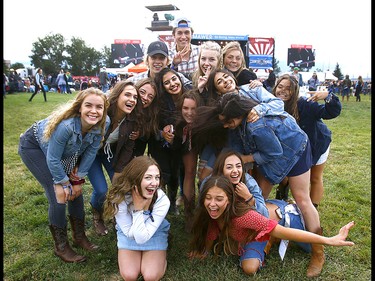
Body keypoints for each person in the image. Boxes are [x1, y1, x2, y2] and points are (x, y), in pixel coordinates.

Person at [192, 93, 325, 277]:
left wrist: (245, 159)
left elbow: (275, 152)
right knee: (258, 200)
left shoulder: (257, 126)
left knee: (303, 199)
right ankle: (261, 238)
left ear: (238, 115)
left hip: (294, 150)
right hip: (270, 153)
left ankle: (318, 254)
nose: (225, 125)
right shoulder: (239, 109)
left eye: (228, 121)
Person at [188, 176, 355, 277]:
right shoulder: (210, 212)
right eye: (208, 198)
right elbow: (212, 231)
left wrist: (329, 240)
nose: (212, 204)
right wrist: (205, 251)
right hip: (259, 224)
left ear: (229, 200)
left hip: (281, 216)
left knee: (250, 268)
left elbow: (286, 232)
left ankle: (271, 237)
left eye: (219, 199)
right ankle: (268, 238)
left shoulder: (243, 218)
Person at [18, 87, 110, 263]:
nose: (94, 111)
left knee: (76, 192)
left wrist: (78, 180)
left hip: (65, 154)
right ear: (79, 107)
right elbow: (53, 159)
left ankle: (79, 236)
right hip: (34, 147)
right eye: (88, 105)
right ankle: (61, 247)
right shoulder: (66, 127)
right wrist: (64, 182)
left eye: (99, 107)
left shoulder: (101, 124)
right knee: (59, 193)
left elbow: (90, 153)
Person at [272, 74, 342, 209]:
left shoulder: (304, 104)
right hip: (292, 148)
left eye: (289, 88)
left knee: (314, 178)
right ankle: (282, 201)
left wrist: (328, 96)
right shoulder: (271, 104)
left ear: (295, 91)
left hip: (316, 144)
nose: (283, 91)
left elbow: (331, 112)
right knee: (285, 176)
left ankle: (311, 211)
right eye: (280, 87)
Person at [87, 80, 143, 236]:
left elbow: (128, 148)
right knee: (101, 190)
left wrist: (119, 171)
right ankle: (97, 215)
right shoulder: (102, 111)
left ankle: (117, 214)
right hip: (91, 155)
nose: (132, 100)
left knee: (121, 184)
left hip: (109, 153)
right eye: (127, 95)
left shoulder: (132, 120)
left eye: (135, 97)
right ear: (117, 95)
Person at [103, 155, 170, 281]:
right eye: (148, 177)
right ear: (135, 178)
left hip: (153, 233)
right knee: (129, 275)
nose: (154, 183)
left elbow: (142, 237)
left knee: (151, 276)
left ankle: (161, 257)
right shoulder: (120, 198)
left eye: (157, 177)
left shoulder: (162, 200)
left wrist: (139, 210)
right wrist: (139, 210)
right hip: (129, 233)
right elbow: (130, 233)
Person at [152, 68, 187, 214]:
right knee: (162, 174)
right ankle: (158, 203)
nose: (172, 84)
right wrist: (161, 133)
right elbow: (151, 126)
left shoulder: (189, 95)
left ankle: (172, 202)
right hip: (159, 144)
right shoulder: (159, 102)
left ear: (179, 78)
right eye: (167, 83)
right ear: (163, 87)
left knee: (176, 173)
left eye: (174, 79)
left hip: (180, 144)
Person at [173, 90, 202, 231]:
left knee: (204, 174)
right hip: (188, 140)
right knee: (189, 171)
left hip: (205, 138)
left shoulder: (205, 119)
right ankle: (189, 212)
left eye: (193, 109)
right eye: (185, 108)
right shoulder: (179, 124)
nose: (189, 112)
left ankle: (205, 209)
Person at [126, 41, 192, 89]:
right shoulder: (134, 81)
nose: (157, 61)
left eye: (161, 58)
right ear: (147, 60)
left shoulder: (177, 78)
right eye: (154, 57)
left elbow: (192, 90)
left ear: (167, 61)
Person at [132, 78, 160, 158]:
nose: (145, 97)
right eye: (142, 92)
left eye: (150, 97)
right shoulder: (124, 108)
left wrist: (140, 133)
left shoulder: (150, 116)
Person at [191, 41, 222, 105]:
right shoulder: (191, 78)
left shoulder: (224, 80)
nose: (206, 63)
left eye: (211, 59)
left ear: (219, 62)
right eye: (203, 59)